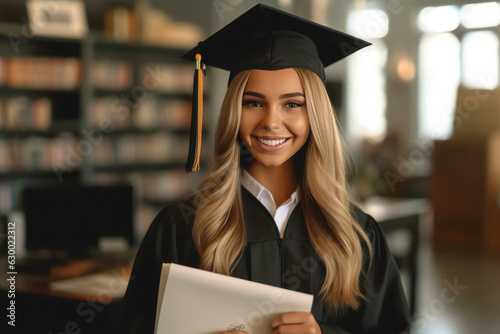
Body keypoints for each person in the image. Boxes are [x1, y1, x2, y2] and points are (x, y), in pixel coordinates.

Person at [116, 4, 411, 334]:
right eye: (253, 102)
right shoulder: (182, 228)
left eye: (292, 104)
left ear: (315, 113)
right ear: (233, 111)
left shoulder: (357, 234)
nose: (271, 122)